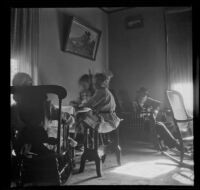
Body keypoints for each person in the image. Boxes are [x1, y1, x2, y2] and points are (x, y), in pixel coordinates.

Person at [11, 72, 74, 185]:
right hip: (43, 143)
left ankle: (21, 173)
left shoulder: (13, 109)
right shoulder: (45, 105)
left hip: (21, 146)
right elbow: (64, 118)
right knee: (59, 141)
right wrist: (69, 118)